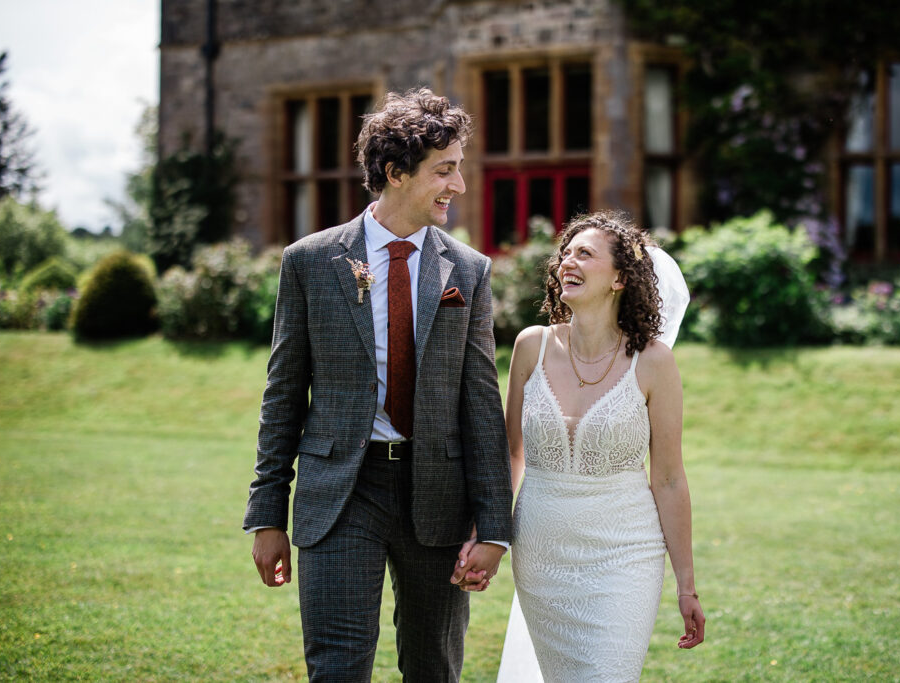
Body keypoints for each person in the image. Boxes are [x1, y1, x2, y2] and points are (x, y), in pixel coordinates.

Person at [243, 87, 513, 682]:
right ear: (395, 173)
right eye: (445, 170)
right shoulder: (310, 261)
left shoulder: (467, 270)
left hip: (438, 498)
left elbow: (481, 403)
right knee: (337, 669)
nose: (459, 186)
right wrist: (267, 512)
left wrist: (494, 528)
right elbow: (283, 393)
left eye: (460, 169)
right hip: (341, 492)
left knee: (433, 669)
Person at [502, 211, 705, 681]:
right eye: (565, 254)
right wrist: (487, 534)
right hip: (540, 556)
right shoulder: (531, 346)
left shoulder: (655, 362)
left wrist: (686, 586)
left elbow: (669, 478)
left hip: (624, 556)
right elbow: (510, 455)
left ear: (619, 278)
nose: (566, 262)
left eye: (585, 254)